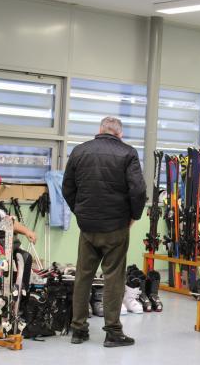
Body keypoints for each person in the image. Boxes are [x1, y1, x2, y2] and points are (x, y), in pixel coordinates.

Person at [63, 116, 147, 347]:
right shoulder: (128, 153)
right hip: (116, 226)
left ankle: (78, 330)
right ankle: (113, 332)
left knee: (83, 276)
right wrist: (133, 217)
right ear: (120, 134)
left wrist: (80, 212)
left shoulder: (80, 151)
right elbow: (138, 190)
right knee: (114, 278)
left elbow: (67, 187)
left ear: (100, 130)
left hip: (87, 226)